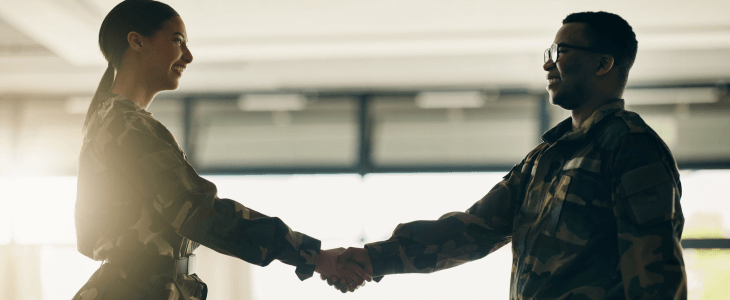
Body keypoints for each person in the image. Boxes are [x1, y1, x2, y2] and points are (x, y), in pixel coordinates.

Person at [327, 11, 687, 299]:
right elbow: (472, 231)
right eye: (549, 54)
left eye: (560, 53)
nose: (548, 65)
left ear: (603, 64)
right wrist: (374, 258)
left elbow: (655, 273)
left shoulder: (632, 146)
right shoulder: (543, 159)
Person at [72, 1, 365, 299]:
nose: (188, 55)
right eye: (177, 40)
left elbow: (89, 239)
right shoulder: (124, 124)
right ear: (136, 41)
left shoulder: (111, 121)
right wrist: (314, 256)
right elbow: (200, 212)